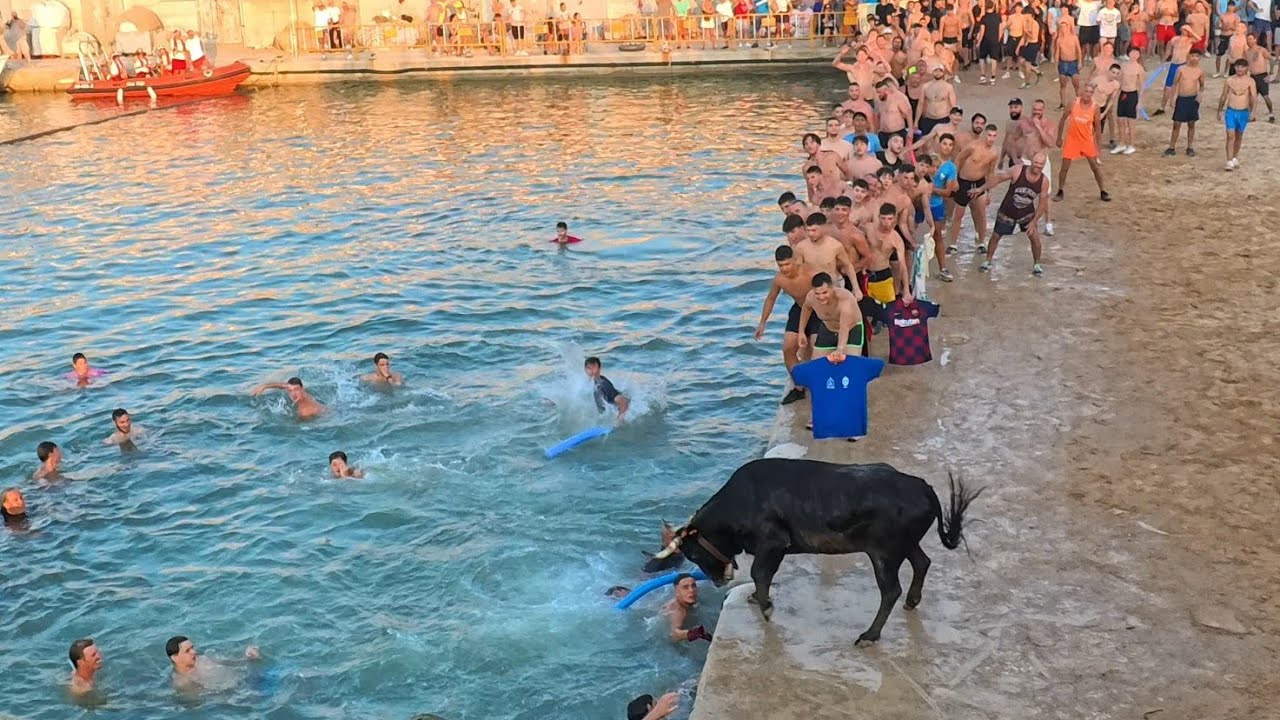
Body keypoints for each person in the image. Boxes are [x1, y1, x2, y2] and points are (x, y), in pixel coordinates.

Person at [755, 245, 822, 404]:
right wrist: (762, 323)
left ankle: (821, 386)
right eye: (781, 265)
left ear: (794, 260)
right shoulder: (779, 279)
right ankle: (799, 387)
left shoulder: (810, 273)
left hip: (817, 311)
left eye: (787, 264)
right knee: (788, 348)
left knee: (815, 348)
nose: (784, 269)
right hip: (798, 310)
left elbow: (830, 292)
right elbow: (771, 298)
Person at [975, 152, 1052, 274]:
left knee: (1035, 238)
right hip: (1007, 210)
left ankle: (1037, 264)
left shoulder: (1044, 181)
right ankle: (987, 261)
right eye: (1036, 163)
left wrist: (1034, 222)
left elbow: (1042, 204)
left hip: (1026, 213)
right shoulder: (1018, 171)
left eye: (1041, 164)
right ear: (1031, 161)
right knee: (996, 236)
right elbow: (998, 179)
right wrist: (981, 189)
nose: (1038, 166)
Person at [944, 124, 1000, 254]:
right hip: (963, 181)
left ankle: (981, 242)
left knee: (981, 213)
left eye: (994, 136)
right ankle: (953, 244)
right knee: (959, 214)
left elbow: (990, 173)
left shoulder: (993, 153)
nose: (991, 139)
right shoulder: (973, 146)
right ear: (985, 134)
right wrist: (955, 180)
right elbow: (958, 160)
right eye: (989, 135)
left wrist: (989, 192)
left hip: (979, 183)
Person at [1055, 81, 1111, 201]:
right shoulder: (1073, 103)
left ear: (1093, 94)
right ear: (1082, 91)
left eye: (1091, 92)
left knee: (1095, 167)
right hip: (1072, 139)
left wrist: (1098, 146)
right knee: (1064, 167)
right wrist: (1059, 137)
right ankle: (1060, 190)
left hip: (1086, 140)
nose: (1088, 94)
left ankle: (1103, 190)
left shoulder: (1095, 107)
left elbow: (1097, 127)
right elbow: (1062, 120)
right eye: (1086, 91)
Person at [798, 272, 866, 364]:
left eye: (825, 292)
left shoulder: (845, 299)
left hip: (851, 329)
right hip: (828, 327)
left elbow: (844, 327)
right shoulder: (811, 297)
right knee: (818, 364)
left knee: (850, 364)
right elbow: (806, 309)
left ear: (832, 288)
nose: (821, 297)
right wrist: (801, 331)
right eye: (817, 293)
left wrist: (840, 349)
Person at [166, 635, 261, 688]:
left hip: (252, 679)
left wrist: (248, 657)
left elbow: (231, 662)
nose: (194, 652)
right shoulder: (183, 682)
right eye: (187, 651)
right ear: (175, 657)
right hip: (241, 693)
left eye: (192, 648)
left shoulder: (203, 659)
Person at [1164, 48, 1206, 157]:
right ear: (1189, 56)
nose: (1194, 58)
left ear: (1200, 58)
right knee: (1176, 123)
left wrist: (1200, 95)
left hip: (1192, 99)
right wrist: (1172, 98)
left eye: (1197, 56)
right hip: (1181, 98)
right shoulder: (1181, 69)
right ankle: (1171, 147)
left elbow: (1202, 85)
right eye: (1193, 56)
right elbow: (1175, 84)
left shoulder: (1200, 71)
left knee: (1191, 123)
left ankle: (1190, 147)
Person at [1218, 58, 1258, 169]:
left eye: (1242, 67)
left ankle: (1235, 157)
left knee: (1239, 135)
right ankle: (1229, 161)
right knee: (1230, 136)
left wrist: (1253, 112)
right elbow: (1223, 96)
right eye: (1237, 66)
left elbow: (1253, 98)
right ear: (1234, 67)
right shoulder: (1229, 80)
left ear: (1246, 68)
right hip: (1230, 111)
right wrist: (1219, 111)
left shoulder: (1250, 81)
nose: (1239, 69)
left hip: (1243, 112)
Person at [1113, 47, 1144, 154]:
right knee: (1120, 120)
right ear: (1129, 54)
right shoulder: (1123, 66)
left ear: (1139, 55)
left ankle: (1131, 144)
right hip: (1123, 93)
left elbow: (1142, 86)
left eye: (1137, 53)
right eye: (1133, 52)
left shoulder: (1139, 68)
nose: (1134, 55)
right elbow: (1119, 82)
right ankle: (1121, 143)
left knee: (1131, 122)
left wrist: (1140, 102)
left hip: (1132, 94)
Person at [666, 573, 712, 643]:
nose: (691, 590)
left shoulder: (691, 599)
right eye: (685, 587)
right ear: (677, 591)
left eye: (693, 586)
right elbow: (674, 635)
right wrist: (696, 633)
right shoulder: (678, 611)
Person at [251, 377, 327, 419]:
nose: (293, 394)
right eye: (290, 390)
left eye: (296, 390)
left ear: (302, 389)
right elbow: (284, 385)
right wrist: (264, 386)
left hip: (325, 417)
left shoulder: (304, 409)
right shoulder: (300, 393)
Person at [584, 356, 630, 423]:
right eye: (588, 368)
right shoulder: (591, 382)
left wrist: (619, 420)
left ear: (599, 368)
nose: (591, 371)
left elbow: (623, 401)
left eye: (594, 367)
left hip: (619, 407)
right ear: (585, 370)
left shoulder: (603, 385)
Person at [1245, 34, 1275, 122]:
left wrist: (1271, 73)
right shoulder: (1246, 52)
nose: (1249, 41)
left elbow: (1271, 59)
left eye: (1251, 39)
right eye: (1248, 40)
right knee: (1252, 97)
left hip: (1262, 75)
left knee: (1265, 96)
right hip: (1252, 76)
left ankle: (1271, 114)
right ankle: (1252, 115)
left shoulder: (1261, 50)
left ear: (1255, 40)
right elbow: (1246, 64)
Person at [1055, 20, 1084, 109]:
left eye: (1064, 27)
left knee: (1076, 85)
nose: (1063, 29)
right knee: (1062, 85)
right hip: (1063, 63)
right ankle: (1063, 103)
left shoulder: (1074, 38)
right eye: (1061, 27)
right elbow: (1057, 53)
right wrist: (1056, 65)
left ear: (1068, 28)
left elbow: (1078, 50)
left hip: (1073, 63)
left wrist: (1080, 62)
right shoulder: (1059, 40)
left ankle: (1079, 103)